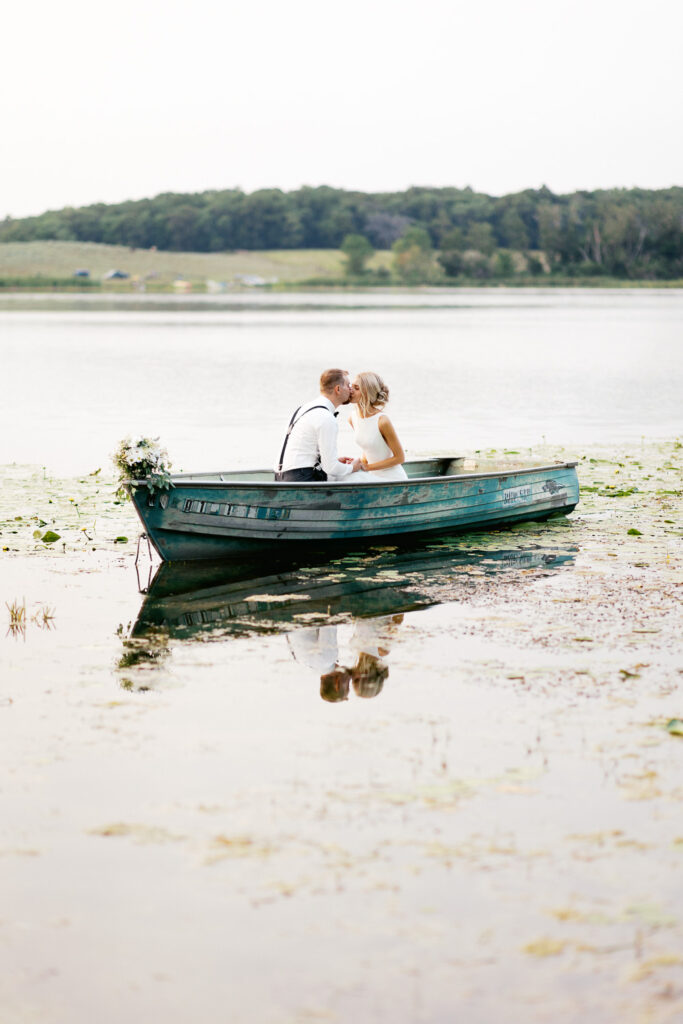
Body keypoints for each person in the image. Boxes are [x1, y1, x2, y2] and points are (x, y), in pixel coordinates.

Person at [274, 368, 361, 482]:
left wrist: (330, 462)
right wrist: (352, 467)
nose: (350, 389)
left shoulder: (304, 408)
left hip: (280, 477)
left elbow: (304, 451)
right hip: (301, 478)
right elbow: (331, 468)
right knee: (355, 476)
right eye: (348, 385)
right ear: (338, 389)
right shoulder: (326, 417)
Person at [345, 372, 407, 482]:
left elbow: (400, 457)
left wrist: (367, 467)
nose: (351, 390)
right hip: (372, 477)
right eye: (351, 386)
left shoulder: (382, 421)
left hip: (393, 478)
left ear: (367, 393)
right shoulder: (352, 418)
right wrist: (359, 461)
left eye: (356, 388)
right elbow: (368, 447)